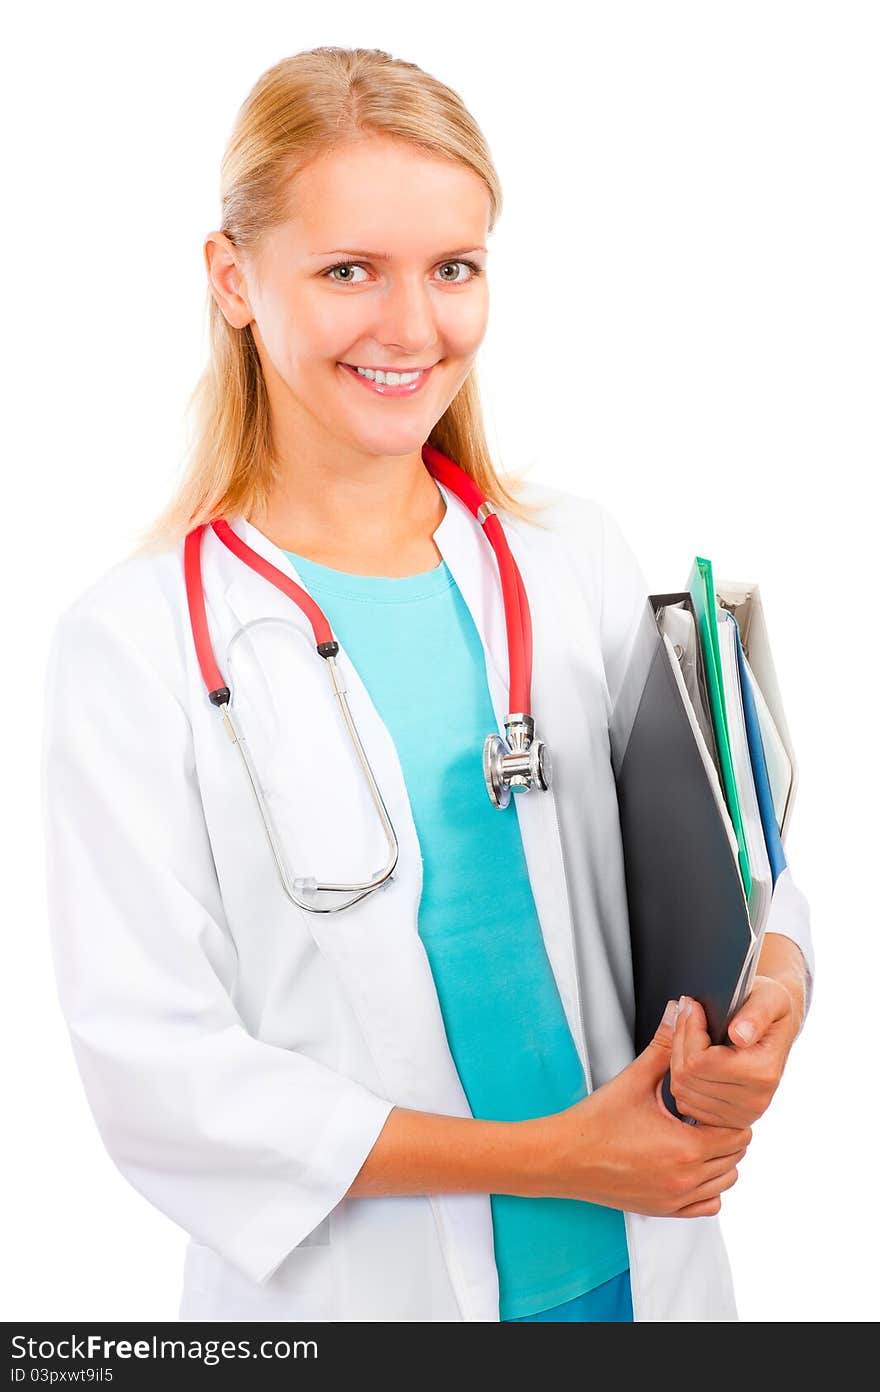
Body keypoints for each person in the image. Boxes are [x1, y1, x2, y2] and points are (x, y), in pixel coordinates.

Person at [40, 46, 814, 1324]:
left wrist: (773, 986)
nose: (413, 327)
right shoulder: (134, 646)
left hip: (646, 1279)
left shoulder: (572, 554)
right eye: (350, 270)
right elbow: (157, 1071)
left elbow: (734, 850)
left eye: (453, 268)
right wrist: (552, 1157)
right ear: (233, 279)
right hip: (360, 1304)